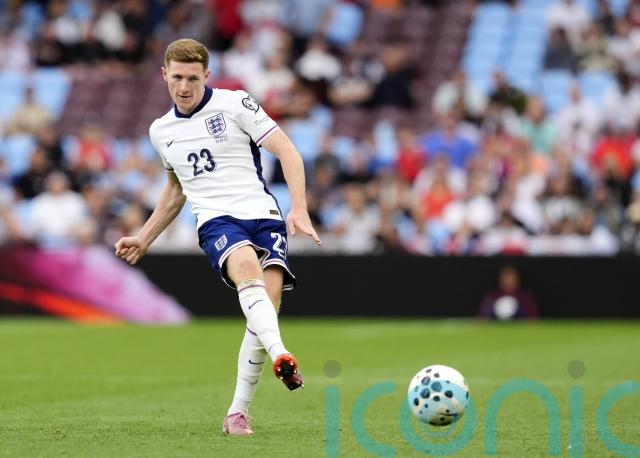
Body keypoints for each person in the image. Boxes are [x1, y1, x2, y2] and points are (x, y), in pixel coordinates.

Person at [113, 38, 321, 436]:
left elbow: (288, 151)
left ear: (207, 76)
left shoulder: (236, 104)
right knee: (247, 271)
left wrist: (298, 207)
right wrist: (144, 237)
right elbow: (177, 191)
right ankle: (281, 353)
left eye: (193, 78)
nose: (184, 86)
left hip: (263, 216)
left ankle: (237, 413)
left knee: (265, 309)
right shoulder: (161, 131)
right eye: (177, 77)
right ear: (164, 74)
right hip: (217, 220)